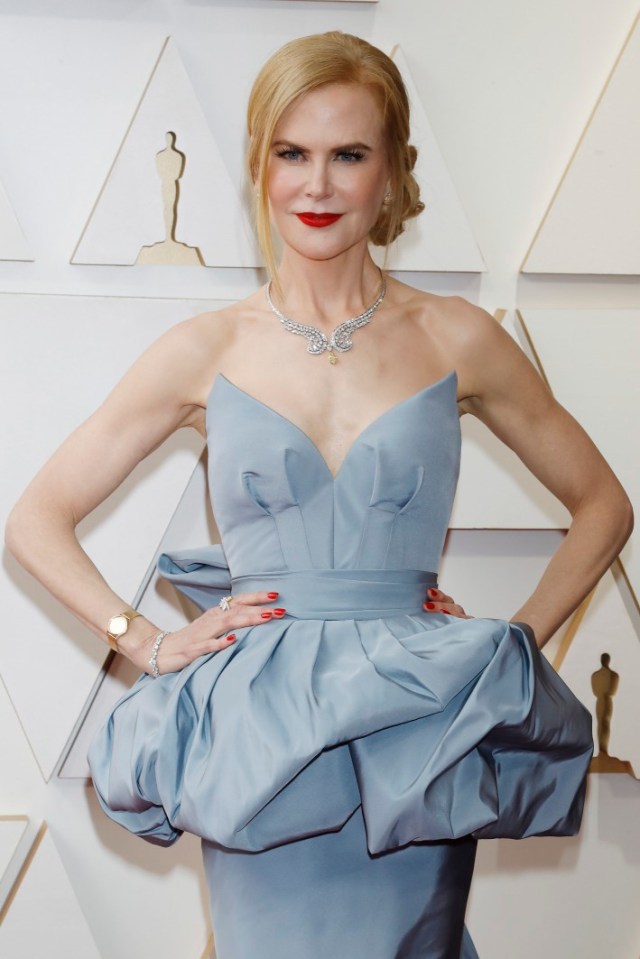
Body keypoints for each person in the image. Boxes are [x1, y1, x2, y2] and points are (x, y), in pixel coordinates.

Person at [5, 31, 632, 959]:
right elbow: (34, 518)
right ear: (261, 166)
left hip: (415, 728)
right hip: (262, 736)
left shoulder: (457, 335)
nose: (318, 186)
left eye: (349, 155)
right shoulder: (205, 348)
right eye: (292, 154)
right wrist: (146, 641)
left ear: (391, 176)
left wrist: (510, 646)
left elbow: (605, 504)